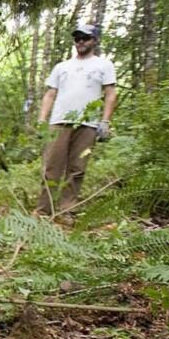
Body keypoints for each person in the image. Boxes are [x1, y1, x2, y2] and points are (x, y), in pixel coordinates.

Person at [35, 22, 117, 218]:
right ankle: (43, 210)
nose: (80, 41)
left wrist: (105, 121)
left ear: (94, 41)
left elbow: (111, 94)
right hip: (59, 121)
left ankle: (66, 210)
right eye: (77, 38)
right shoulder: (62, 66)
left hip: (87, 124)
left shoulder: (104, 65)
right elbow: (49, 94)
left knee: (77, 168)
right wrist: (41, 120)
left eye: (85, 38)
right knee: (52, 167)